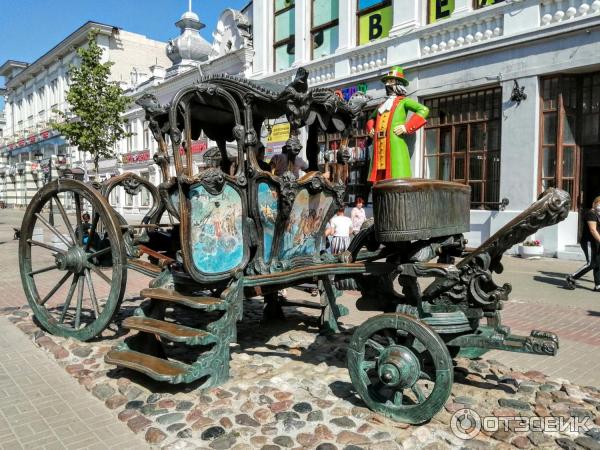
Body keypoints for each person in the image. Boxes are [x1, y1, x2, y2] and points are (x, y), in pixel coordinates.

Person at [366, 66, 429, 182]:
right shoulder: (381, 105)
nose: (387, 85)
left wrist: (407, 127)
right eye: (386, 82)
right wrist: (371, 129)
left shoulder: (404, 101)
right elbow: (371, 118)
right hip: (379, 144)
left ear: (398, 84)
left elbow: (423, 110)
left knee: (396, 175)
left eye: (391, 81)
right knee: (379, 177)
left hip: (395, 143)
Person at [566, 196, 600, 291]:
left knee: (598, 263)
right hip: (588, 242)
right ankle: (572, 277)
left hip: (595, 242)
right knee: (591, 264)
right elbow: (593, 230)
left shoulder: (597, 215)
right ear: (595, 203)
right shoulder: (591, 214)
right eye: (599, 203)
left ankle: (598, 285)